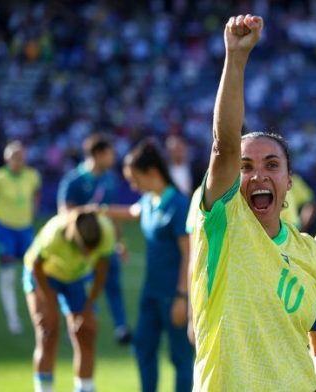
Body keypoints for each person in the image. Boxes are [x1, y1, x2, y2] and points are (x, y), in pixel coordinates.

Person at [188, 15, 316, 391]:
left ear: (289, 182)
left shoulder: (310, 253)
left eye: (272, 165)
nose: (258, 176)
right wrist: (235, 60)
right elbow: (223, 145)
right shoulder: (221, 225)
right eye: (245, 167)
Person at [101, 139, 193, 392]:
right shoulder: (149, 200)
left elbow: (190, 255)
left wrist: (182, 297)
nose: (132, 185)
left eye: (134, 178)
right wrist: (97, 210)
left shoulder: (179, 205)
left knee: (181, 358)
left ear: (152, 173)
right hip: (151, 293)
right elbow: (131, 213)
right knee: (142, 346)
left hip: (174, 294)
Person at [23, 208, 115, 392]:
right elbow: (36, 266)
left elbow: (102, 270)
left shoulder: (106, 231)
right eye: (85, 250)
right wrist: (50, 304)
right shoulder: (55, 233)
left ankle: (85, 388)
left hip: (78, 278)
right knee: (48, 331)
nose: (89, 255)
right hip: (45, 275)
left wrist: (88, 308)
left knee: (86, 332)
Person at [57, 133, 131, 344]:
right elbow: (65, 213)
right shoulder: (74, 180)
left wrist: (120, 242)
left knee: (113, 286)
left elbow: (114, 214)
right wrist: (90, 211)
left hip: (106, 246)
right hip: (81, 248)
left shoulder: (109, 180)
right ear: (97, 154)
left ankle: (121, 327)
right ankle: (77, 321)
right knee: (80, 287)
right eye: (109, 153)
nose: (113, 157)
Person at [0, 141, 41, 334]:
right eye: (14, 157)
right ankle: (13, 318)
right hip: (5, 231)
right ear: (7, 158)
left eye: (20, 156)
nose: (18, 160)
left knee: (35, 272)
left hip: (25, 230)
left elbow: (36, 193)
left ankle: (37, 312)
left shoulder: (32, 176)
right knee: (8, 275)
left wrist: (34, 208)